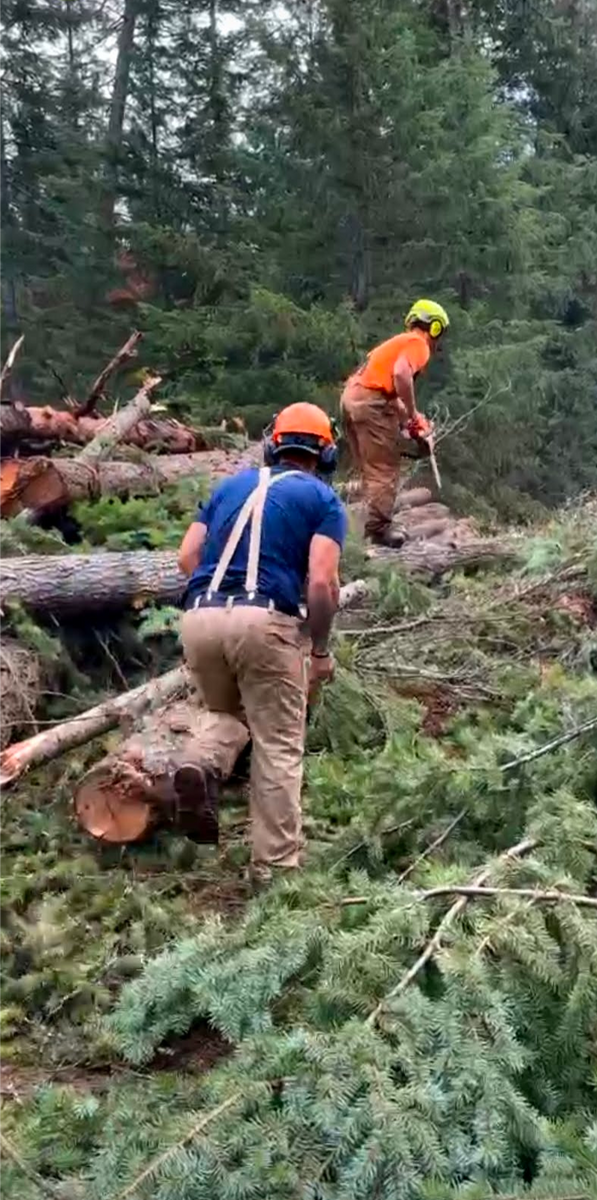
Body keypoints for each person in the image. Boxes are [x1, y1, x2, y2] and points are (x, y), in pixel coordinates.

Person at [174, 402, 347, 882]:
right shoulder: (323, 500)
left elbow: (187, 556)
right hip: (267, 621)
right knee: (279, 745)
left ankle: (197, 762)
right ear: (325, 452)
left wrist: (216, 596)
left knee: (225, 715)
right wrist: (320, 648)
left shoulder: (228, 485)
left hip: (200, 616)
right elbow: (321, 584)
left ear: (274, 442)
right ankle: (275, 871)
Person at [341, 298, 449, 547]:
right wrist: (412, 415)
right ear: (434, 327)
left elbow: (390, 395)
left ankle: (357, 530)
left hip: (353, 397)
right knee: (384, 468)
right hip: (370, 401)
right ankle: (378, 530)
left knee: (370, 469)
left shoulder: (394, 344)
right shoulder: (418, 344)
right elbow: (401, 375)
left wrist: (412, 422)